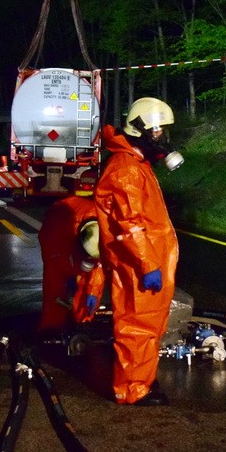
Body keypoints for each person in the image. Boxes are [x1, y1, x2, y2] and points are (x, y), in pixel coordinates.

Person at [94, 97, 184, 406]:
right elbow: (130, 225)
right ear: (145, 129)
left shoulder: (135, 163)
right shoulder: (126, 170)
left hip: (149, 258)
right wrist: (147, 264)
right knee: (137, 325)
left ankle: (142, 378)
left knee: (149, 325)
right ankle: (132, 388)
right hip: (138, 263)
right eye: (160, 132)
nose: (163, 139)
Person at [37, 195, 105, 334]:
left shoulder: (101, 229)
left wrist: (92, 291)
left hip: (79, 238)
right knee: (55, 287)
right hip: (56, 234)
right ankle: (51, 329)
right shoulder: (58, 228)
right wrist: (70, 275)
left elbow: (99, 267)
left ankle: (83, 322)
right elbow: (55, 261)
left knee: (88, 286)